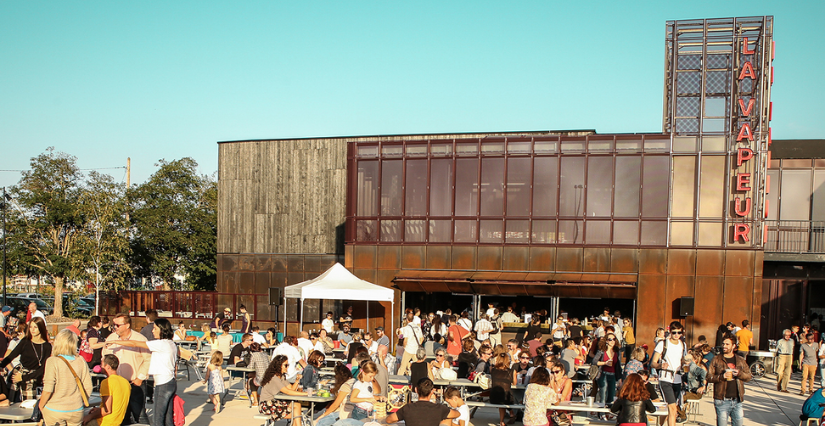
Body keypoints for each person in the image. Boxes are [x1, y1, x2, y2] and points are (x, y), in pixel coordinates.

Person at [106, 318, 178, 426]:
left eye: (155, 329)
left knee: (158, 418)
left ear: (162, 330)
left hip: (163, 384)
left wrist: (116, 341)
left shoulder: (162, 344)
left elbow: (136, 343)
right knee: (167, 419)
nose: (152, 331)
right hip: (169, 382)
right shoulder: (170, 343)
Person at [101, 313, 151, 425]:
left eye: (118, 325)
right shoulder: (111, 338)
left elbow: (148, 359)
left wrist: (140, 377)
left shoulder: (139, 339)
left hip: (134, 383)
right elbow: (104, 357)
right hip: (117, 384)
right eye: (113, 325)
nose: (115, 327)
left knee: (139, 414)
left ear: (127, 325)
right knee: (121, 416)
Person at [38, 329, 93, 426]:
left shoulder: (52, 361)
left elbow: (48, 389)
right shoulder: (80, 360)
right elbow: (88, 386)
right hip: (76, 409)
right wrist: (82, 402)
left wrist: (41, 406)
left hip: (55, 408)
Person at [0, 317, 52, 402]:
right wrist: (1, 365)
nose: (32, 330)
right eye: (30, 327)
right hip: (19, 372)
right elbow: (11, 356)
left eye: (35, 327)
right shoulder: (25, 341)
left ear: (41, 328)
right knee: (9, 400)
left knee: (29, 404)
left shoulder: (46, 346)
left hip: (32, 377)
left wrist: (24, 377)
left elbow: (43, 368)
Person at [707, 333, 752, 426]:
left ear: (734, 346)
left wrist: (739, 374)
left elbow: (748, 376)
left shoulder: (740, 360)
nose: (724, 346)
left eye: (727, 344)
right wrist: (721, 377)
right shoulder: (716, 359)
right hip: (722, 400)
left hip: (737, 400)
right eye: (723, 344)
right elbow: (708, 377)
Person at [651, 321, 686, 426]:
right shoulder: (663, 343)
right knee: (672, 407)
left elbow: (683, 360)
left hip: (677, 378)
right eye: (674, 332)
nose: (676, 335)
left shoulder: (683, 345)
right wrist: (660, 366)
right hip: (665, 378)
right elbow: (653, 363)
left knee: (671, 408)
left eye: (679, 333)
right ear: (670, 332)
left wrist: (686, 364)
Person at [387, 378, 460, 426]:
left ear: (416, 390)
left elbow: (389, 420)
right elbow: (457, 414)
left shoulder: (407, 408)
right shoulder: (439, 409)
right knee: (447, 419)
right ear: (432, 392)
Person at [82, 354, 131, 426]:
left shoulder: (107, 382)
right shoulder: (126, 382)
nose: (100, 366)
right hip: (117, 422)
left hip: (105, 422)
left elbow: (107, 410)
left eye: (101, 364)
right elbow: (115, 405)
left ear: (108, 367)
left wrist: (89, 416)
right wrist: (99, 409)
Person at [259, 355, 307, 426]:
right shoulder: (274, 378)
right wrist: (306, 394)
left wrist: (297, 381)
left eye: (288, 365)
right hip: (267, 405)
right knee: (297, 412)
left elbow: (291, 389)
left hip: (276, 402)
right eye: (286, 365)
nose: (287, 367)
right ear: (279, 366)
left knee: (297, 405)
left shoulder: (281, 376)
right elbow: (287, 392)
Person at [490, 353, 515, 426]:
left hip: (494, 397)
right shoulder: (512, 371)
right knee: (508, 395)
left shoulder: (492, 370)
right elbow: (515, 383)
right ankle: (512, 414)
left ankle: (503, 420)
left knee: (502, 399)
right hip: (506, 398)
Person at [397, 310, 424, 376]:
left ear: (407, 319)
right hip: (416, 349)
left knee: (403, 367)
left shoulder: (406, 328)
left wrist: (404, 347)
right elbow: (422, 338)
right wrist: (418, 344)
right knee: (417, 366)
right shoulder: (418, 328)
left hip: (408, 349)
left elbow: (405, 340)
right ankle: (419, 377)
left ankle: (398, 380)